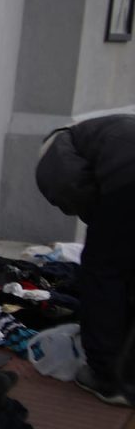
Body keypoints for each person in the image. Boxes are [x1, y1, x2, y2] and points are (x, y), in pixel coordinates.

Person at [35, 113, 135, 405]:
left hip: (128, 184)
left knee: (103, 274)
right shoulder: (103, 132)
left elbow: (72, 191)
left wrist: (102, 226)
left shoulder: (55, 149)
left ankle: (108, 379)